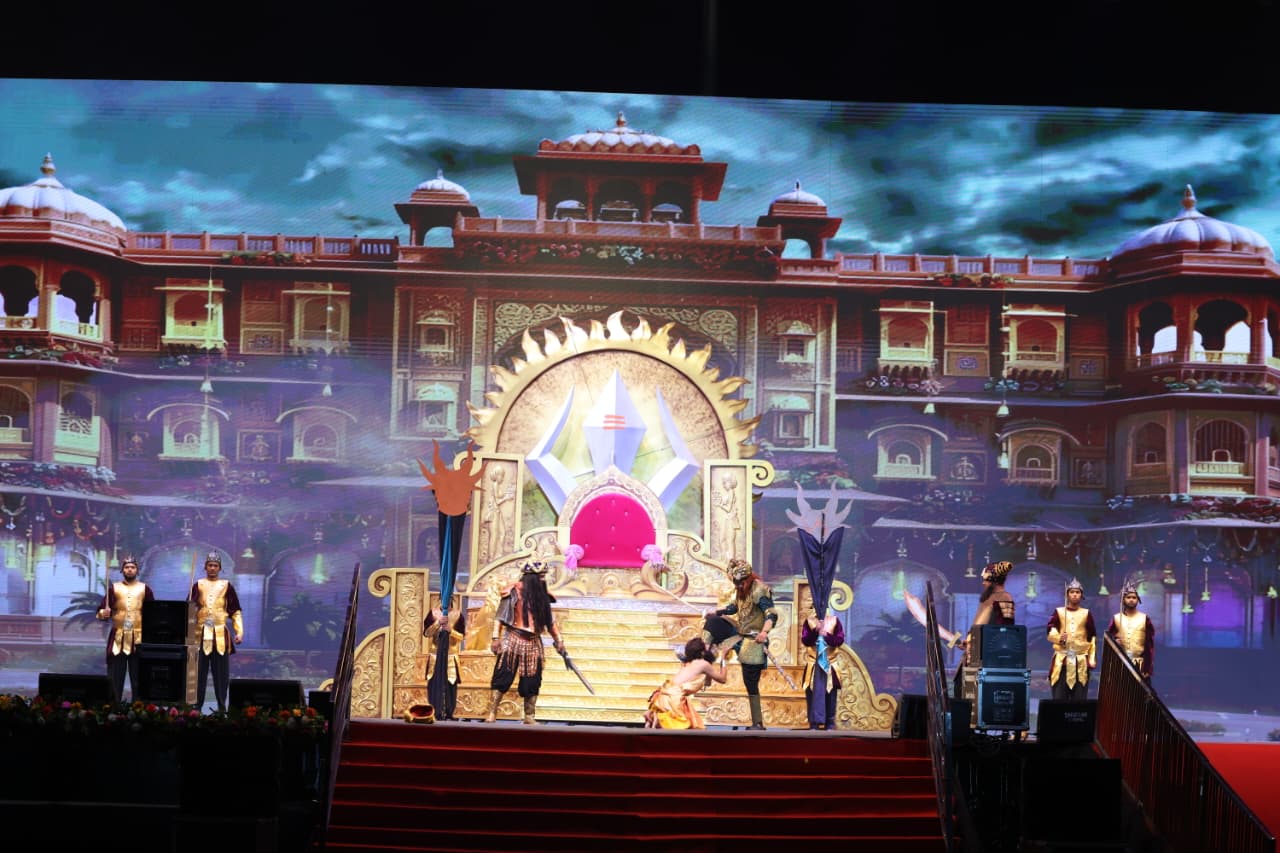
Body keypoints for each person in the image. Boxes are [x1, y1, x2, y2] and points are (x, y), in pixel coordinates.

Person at [485, 560, 566, 725]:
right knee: (503, 675)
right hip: (512, 638)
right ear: (531, 578)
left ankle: (529, 715)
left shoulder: (543, 596)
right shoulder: (513, 592)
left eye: (544, 577)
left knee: (533, 680)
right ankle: (492, 712)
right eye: (540, 577)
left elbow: (550, 622)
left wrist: (559, 640)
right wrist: (495, 638)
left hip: (533, 642)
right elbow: (500, 617)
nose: (543, 580)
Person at [703, 557, 778, 730]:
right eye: (735, 583)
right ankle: (704, 659)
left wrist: (764, 632)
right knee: (713, 622)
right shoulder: (740, 589)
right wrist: (717, 612)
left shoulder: (760, 591)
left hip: (753, 639)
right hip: (739, 634)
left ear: (748, 579)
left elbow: (771, 614)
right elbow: (734, 608)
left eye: (740, 583)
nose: (738, 586)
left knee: (750, 682)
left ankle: (757, 722)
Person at [96, 555, 155, 704]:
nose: (130, 570)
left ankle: (139, 707)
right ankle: (114, 706)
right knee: (115, 676)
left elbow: (153, 612)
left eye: (132, 567)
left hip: (139, 637)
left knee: (139, 676)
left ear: (137, 570)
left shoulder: (145, 589)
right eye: (127, 567)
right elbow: (100, 612)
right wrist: (104, 613)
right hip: (118, 636)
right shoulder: (114, 588)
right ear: (122, 570)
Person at [952, 560, 1015, 699]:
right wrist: (967, 641)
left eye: (986, 580)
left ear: (994, 581)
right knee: (960, 689)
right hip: (973, 653)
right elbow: (977, 627)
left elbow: (1004, 631)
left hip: (986, 659)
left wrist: (978, 643)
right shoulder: (987, 599)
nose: (983, 583)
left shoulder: (1004, 598)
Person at [189, 552, 243, 712]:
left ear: (220, 568)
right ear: (205, 567)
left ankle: (221, 707)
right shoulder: (197, 585)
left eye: (215, 565)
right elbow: (189, 611)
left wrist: (239, 631)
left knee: (221, 674)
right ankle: (196, 707)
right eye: (210, 565)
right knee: (198, 674)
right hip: (200, 635)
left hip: (220, 635)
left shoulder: (227, 586)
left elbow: (235, 611)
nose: (212, 568)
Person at [645, 637, 727, 729]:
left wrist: (710, 661)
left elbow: (707, 683)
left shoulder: (688, 664)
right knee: (683, 729)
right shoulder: (703, 664)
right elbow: (723, 679)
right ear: (702, 652)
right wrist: (724, 658)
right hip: (674, 699)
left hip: (665, 696)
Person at [1047, 577, 1096, 701]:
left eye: (1077, 592)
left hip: (1080, 661)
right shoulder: (1059, 612)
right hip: (1062, 660)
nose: (1074, 594)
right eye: (1072, 592)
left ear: (1081, 595)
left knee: (1079, 700)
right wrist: (1059, 638)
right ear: (1067, 595)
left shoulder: (1086, 613)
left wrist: (1091, 659)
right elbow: (1050, 630)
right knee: (1059, 699)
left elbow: (1092, 637)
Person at [800, 610, 844, 730]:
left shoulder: (834, 620)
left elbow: (839, 640)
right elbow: (805, 640)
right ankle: (814, 723)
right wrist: (816, 631)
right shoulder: (809, 621)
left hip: (830, 664)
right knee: (812, 693)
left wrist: (826, 635)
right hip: (813, 664)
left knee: (830, 693)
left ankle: (829, 722)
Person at [424, 602, 466, 720]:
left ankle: (449, 712)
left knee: (450, 685)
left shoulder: (458, 615)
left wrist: (451, 630)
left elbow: (462, 637)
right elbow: (427, 633)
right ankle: (434, 711)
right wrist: (438, 623)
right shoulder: (433, 613)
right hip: (435, 655)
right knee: (434, 684)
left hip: (451, 655)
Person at [1106, 582, 1154, 681]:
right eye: (1128, 597)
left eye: (1134, 597)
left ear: (1138, 600)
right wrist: (1115, 642)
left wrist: (1147, 668)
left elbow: (1150, 646)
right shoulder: (1116, 618)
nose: (1131, 600)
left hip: (1139, 666)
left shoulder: (1145, 619)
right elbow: (1109, 642)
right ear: (1123, 599)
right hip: (1120, 665)